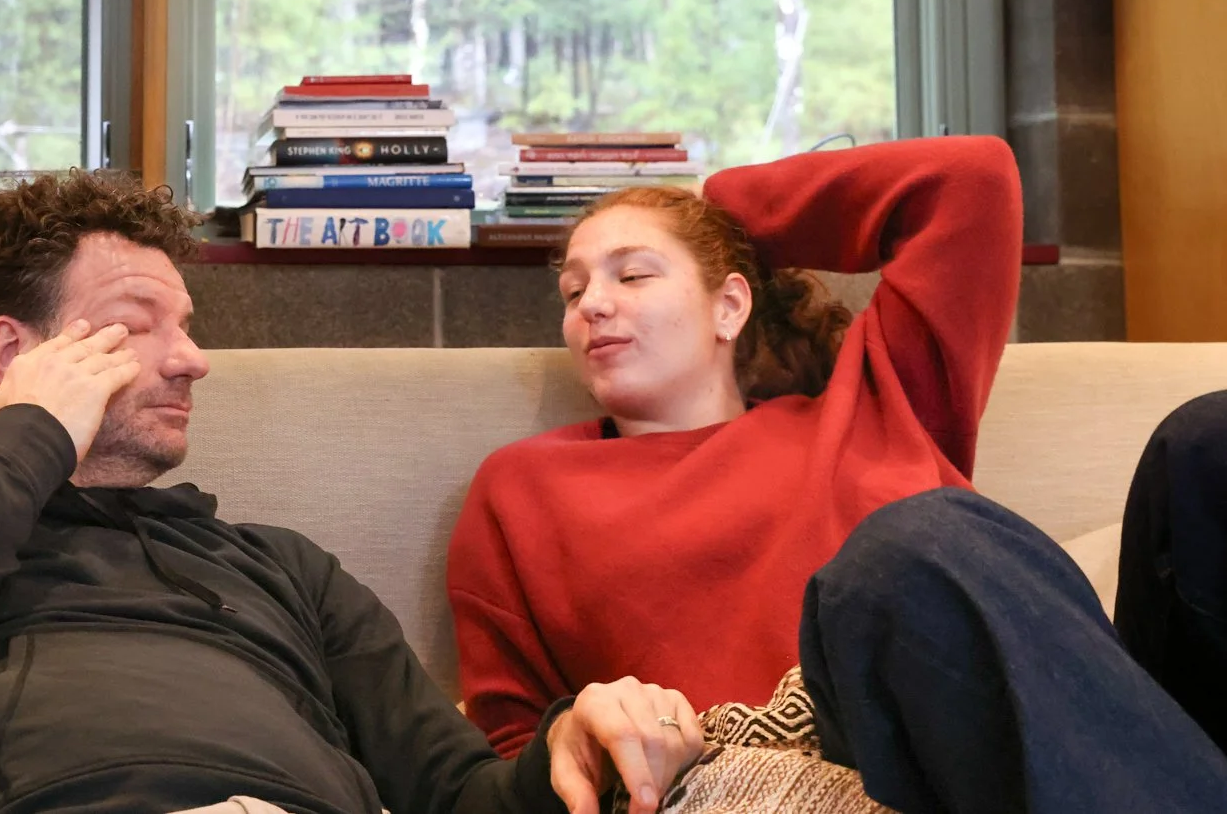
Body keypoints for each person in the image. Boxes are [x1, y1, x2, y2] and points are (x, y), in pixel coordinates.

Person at [0, 170, 707, 814]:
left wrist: (565, 750)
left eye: (188, 325)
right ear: (15, 351)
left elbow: (455, 796)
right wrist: (31, 434)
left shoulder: (279, 566)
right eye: (140, 324)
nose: (193, 359)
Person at [447, 136, 1227, 812]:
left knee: (1208, 444)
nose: (593, 305)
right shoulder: (523, 486)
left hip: (1080, 729)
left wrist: (716, 205)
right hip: (819, 763)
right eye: (574, 290)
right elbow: (511, 750)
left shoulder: (874, 402)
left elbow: (973, 180)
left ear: (730, 305)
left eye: (634, 274)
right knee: (907, 548)